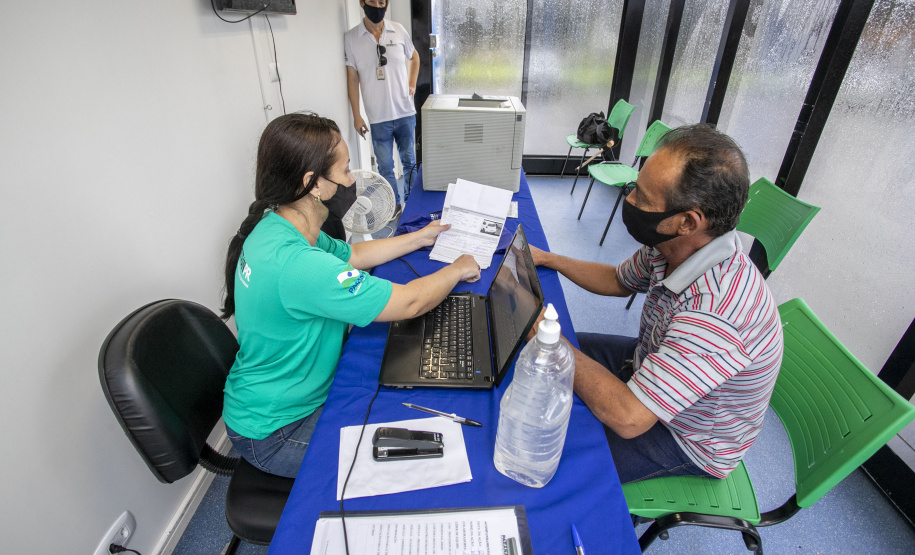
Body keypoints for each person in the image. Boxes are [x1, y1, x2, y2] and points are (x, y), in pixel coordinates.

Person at [220, 112, 480, 478]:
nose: (350, 180)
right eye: (344, 171)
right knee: (408, 456)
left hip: (271, 401)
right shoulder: (298, 264)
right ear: (313, 184)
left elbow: (354, 255)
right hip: (276, 431)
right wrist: (456, 269)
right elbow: (409, 302)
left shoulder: (280, 225)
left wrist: (421, 237)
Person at [529, 124, 784, 484]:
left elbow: (629, 417)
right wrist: (549, 258)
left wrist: (548, 338)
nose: (628, 200)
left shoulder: (716, 313)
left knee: (548, 457)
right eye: (634, 187)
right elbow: (619, 280)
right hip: (649, 360)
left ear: (687, 222)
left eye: (642, 198)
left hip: (684, 437)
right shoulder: (672, 247)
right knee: (547, 351)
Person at [344, 0, 419, 217]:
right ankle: (394, 207)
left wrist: (412, 83)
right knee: (385, 167)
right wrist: (357, 115)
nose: (377, 6)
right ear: (362, 3)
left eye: (381, 2)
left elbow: (414, 57)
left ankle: (411, 204)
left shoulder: (399, 30)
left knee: (409, 163)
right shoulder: (351, 38)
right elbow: (352, 78)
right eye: (372, 1)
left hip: (405, 112)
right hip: (378, 117)